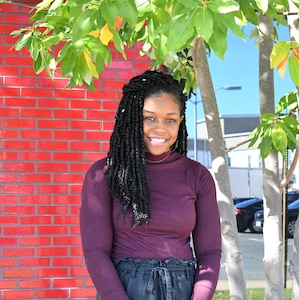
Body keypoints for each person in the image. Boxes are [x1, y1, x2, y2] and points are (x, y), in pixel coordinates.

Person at [80, 70, 221, 300]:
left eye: (170, 119)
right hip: (124, 290)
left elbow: (210, 252)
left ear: (180, 122)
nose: (160, 128)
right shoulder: (103, 174)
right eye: (150, 117)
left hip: (182, 291)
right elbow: (96, 252)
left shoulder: (197, 175)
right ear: (133, 117)